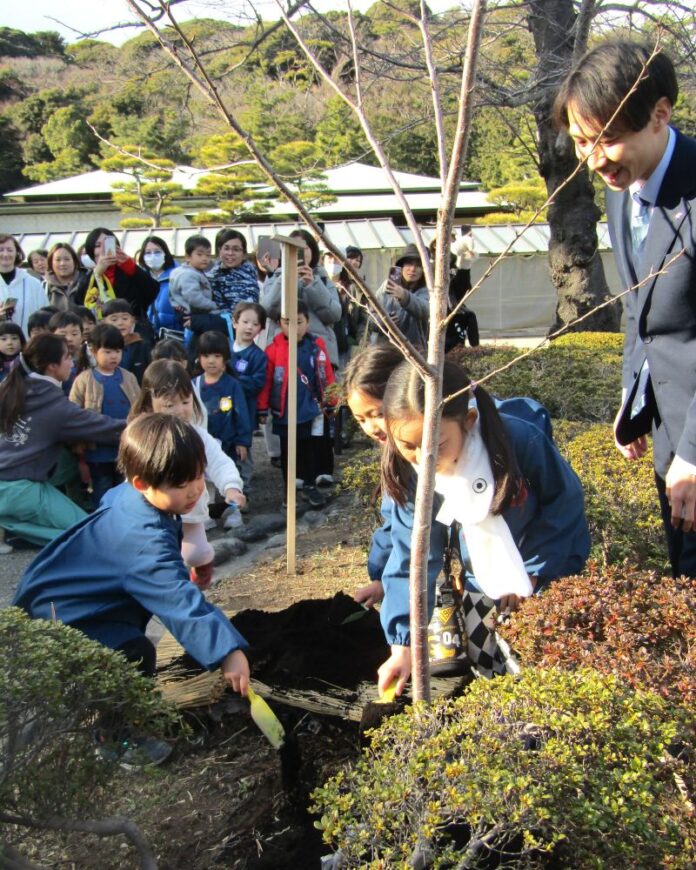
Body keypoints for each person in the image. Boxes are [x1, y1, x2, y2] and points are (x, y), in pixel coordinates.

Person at [554, 40, 696, 578]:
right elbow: (639, 306)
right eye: (582, 142)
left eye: (608, 141)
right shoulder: (621, 188)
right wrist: (633, 395)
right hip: (668, 430)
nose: (594, 162)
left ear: (660, 114)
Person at [374, 360, 590, 695]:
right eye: (408, 446)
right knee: (488, 672)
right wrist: (403, 642)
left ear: (468, 421)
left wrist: (532, 572)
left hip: (542, 576)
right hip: (480, 580)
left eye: (436, 445)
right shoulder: (409, 472)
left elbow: (564, 505)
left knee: (541, 674)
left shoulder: (519, 440)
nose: (423, 458)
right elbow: (411, 556)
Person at [12, 413, 250, 697]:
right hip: (66, 617)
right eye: (181, 484)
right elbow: (179, 601)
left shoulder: (128, 496)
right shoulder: (143, 542)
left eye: (198, 476)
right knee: (132, 654)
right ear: (141, 483)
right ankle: (117, 734)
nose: (196, 491)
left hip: (70, 598)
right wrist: (227, 651)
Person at [0, 333, 124, 546]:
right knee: (89, 534)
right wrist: (148, 427)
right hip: (20, 490)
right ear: (52, 366)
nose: (71, 362)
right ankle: (17, 529)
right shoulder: (54, 405)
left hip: (8, 481)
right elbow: (105, 428)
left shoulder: (16, 386)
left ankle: (12, 527)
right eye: (67, 357)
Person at [130, 360, 245, 589]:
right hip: (155, 510)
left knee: (196, 552)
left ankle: (201, 575)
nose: (180, 410)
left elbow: (219, 462)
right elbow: (132, 474)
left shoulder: (197, 436)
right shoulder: (142, 439)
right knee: (163, 554)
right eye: (169, 404)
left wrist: (231, 486)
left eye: (185, 401)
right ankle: (171, 588)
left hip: (191, 508)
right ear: (149, 404)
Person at [257, 300, 337, 508]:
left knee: (309, 446)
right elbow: (266, 381)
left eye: (299, 322)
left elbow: (326, 373)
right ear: (279, 323)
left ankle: (310, 485)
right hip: (284, 409)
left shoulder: (316, 346)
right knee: (287, 450)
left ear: (307, 322)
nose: (294, 327)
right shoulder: (273, 350)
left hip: (309, 407)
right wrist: (262, 408)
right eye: (287, 322)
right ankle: (289, 488)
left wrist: (331, 399)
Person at [69, 323, 140, 510]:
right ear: (93, 351)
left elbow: (141, 409)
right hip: (97, 451)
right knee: (102, 490)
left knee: (126, 490)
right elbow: (73, 415)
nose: (114, 356)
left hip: (126, 448)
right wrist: (79, 449)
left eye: (117, 351)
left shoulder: (129, 377)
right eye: (108, 351)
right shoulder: (84, 379)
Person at [192, 330, 252, 527]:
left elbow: (241, 414)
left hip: (228, 442)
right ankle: (205, 514)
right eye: (206, 355)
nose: (211, 361)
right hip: (202, 443)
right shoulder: (194, 385)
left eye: (217, 356)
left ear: (225, 358)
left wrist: (243, 441)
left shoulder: (232, 385)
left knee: (230, 477)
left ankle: (233, 512)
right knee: (203, 481)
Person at [260, 229, 342, 370]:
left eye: (305, 247)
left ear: (313, 251)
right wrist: (285, 277)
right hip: (283, 351)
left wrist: (312, 284)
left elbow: (334, 314)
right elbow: (267, 309)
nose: (300, 252)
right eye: (294, 248)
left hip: (318, 352)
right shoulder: (275, 278)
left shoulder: (323, 279)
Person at [73, 228, 158, 341]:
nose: (103, 249)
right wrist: (97, 274)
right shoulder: (88, 278)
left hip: (133, 334)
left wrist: (131, 267)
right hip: (102, 336)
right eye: (97, 245)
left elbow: (152, 291)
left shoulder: (129, 271)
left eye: (107, 244)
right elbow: (81, 301)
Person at [230, 300, 269, 481]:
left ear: (260, 329)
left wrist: (232, 381)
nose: (249, 327)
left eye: (255, 324)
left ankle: (244, 487)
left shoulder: (258, 356)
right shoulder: (223, 350)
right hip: (221, 410)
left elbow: (257, 382)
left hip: (245, 410)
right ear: (234, 322)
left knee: (243, 448)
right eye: (245, 322)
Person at [371, 243, 429, 351]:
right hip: (384, 350)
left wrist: (404, 296)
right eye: (409, 264)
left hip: (414, 351)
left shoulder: (427, 290)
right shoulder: (387, 286)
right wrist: (382, 321)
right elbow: (371, 315)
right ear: (401, 267)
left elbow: (425, 310)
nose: (412, 269)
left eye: (418, 265)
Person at [0, 234, 48, 336]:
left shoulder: (33, 283)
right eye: (1, 250)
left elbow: (46, 316)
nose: (5, 254)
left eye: (9, 250)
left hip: (30, 346)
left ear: (17, 253)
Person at [207, 228, 260, 318]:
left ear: (243, 253)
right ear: (220, 250)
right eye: (226, 248)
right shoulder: (212, 276)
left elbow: (242, 313)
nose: (230, 253)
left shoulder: (248, 276)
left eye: (236, 249)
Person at [137, 235, 182, 337]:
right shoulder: (140, 278)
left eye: (157, 252)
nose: (152, 256)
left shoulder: (179, 275)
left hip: (174, 335)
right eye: (148, 252)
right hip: (148, 336)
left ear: (165, 253)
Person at [102, 298, 151, 385]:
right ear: (104, 322)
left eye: (125, 318)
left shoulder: (143, 346)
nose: (120, 323)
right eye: (114, 320)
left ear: (132, 320)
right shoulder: (100, 347)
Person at [48, 310, 83, 395]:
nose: (69, 339)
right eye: (63, 335)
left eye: (74, 334)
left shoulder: (91, 359)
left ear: (82, 336)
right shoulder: (49, 362)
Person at [43, 243, 85, 310]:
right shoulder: (44, 287)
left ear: (75, 261)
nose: (62, 263)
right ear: (51, 262)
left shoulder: (87, 283)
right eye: (58, 260)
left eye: (67, 259)